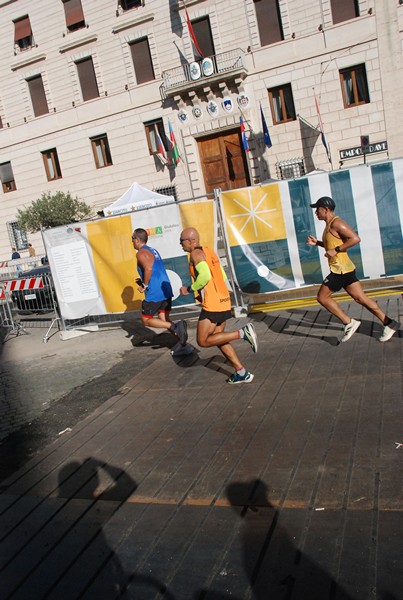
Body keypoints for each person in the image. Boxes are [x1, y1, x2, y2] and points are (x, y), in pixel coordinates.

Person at [307, 196, 399, 343]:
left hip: (340, 270)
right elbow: (332, 245)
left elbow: (355, 238)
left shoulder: (336, 223)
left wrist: (336, 250)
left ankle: (348, 323)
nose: (315, 213)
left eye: (317, 210)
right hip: (345, 268)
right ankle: (389, 323)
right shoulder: (329, 224)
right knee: (360, 298)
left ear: (326, 209)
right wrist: (317, 243)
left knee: (322, 297)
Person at [179, 227, 258, 384]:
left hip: (213, 304)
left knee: (203, 341)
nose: (181, 245)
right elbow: (221, 275)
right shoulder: (209, 251)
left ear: (190, 241)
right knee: (218, 339)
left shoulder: (195, 253)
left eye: (181, 241)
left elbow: (205, 276)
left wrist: (189, 289)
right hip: (223, 300)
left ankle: (242, 333)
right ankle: (241, 372)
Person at [131, 227, 187, 346]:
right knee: (163, 318)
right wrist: (142, 281)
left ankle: (176, 326)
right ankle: (182, 344)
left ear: (137, 240)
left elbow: (148, 268)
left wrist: (144, 285)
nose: (131, 241)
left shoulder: (140, 253)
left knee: (146, 320)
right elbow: (153, 269)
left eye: (132, 239)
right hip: (165, 289)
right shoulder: (153, 250)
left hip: (156, 292)